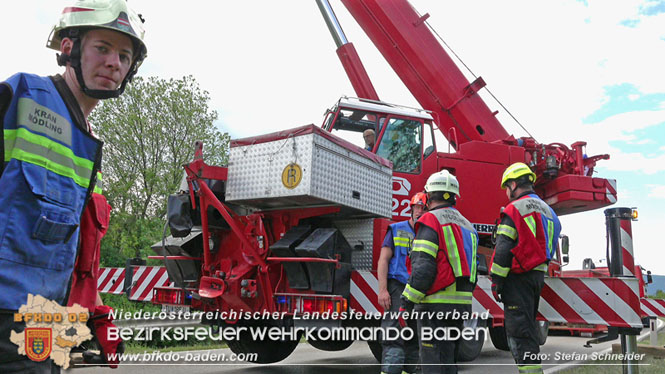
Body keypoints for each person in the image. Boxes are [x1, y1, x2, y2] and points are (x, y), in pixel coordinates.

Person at [0, 0, 147, 372]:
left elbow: (79, 255)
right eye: (103, 48)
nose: (115, 62)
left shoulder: (87, 145)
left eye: (125, 56)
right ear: (70, 48)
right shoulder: (22, 97)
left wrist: (96, 318)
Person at [400, 170, 478, 374]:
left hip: (434, 306)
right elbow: (474, 271)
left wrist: (407, 302)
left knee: (432, 359)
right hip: (460, 306)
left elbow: (423, 268)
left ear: (428, 196)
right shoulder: (469, 226)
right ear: (454, 197)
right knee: (448, 358)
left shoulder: (430, 220)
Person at [490, 162, 561, 374]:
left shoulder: (513, 209)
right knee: (527, 328)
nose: (506, 192)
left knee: (519, 333)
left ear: (513, 184)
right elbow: (550, 242)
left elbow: (503, 248)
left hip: (517, 278)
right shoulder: (550, 211)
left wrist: (497, 281)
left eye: (506, 187)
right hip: (538, 276)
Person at [377, 192, 427, 374]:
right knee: (394, 334)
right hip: (398, 287)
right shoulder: (397, 229)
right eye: (416, 207)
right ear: (411, 208)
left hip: (421, 290)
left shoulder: (431, 232)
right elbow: (383, 260)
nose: (419, 211)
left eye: (422, 208)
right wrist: (383, 290)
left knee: (415, 335)